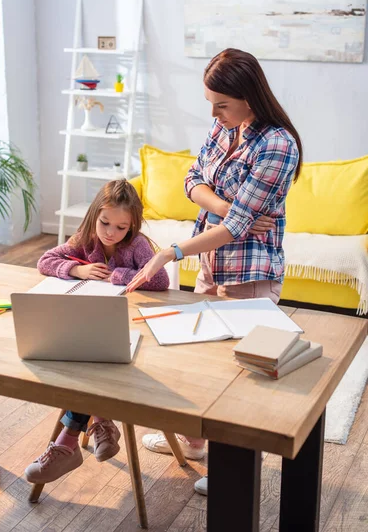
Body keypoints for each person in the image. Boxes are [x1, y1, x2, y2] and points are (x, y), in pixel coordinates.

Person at [126, 48, 303, 495]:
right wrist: (226, 207)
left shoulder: (278, 145)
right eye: (210, 102)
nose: (213, 112)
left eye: (221, 103)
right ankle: (198, 442)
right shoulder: (225, 125)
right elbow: (192, 179)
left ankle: (234, 472)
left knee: (242, 374)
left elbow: (238, 231)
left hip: (250, 269)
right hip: (212, 260)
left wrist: (172, 251)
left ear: (250, 97)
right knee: (201, 360)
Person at [25, 179, 169, 485]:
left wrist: (119, 275)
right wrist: (77, 270)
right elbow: (44, 261)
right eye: (105, 223)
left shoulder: (137, 246)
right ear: (94, 216)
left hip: (131, 330)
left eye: (121, 227)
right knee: (80, 356)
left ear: (132, 226)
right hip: (91, 328)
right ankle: (101, 421)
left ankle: (69, 439)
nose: (110, 233)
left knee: (89, 360)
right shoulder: (84, 239)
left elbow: (160, 281)